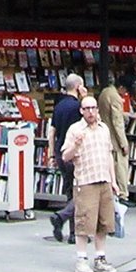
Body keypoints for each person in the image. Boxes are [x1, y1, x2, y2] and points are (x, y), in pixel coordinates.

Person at [59, 87, 119, 272]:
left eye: (93, 108)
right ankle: (81, 259)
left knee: (104, 223)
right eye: (87, 109)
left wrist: (113, 180)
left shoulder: (104, 129)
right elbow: (65, 157)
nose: (91, 112)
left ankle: (100, 258)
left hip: (104, 180)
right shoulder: (75, 130)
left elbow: (109, 155)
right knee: (84, 222)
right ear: (81, 111)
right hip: (85, 181)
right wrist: (75, 145)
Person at [47, 74, 86, 243]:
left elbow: (52, 132)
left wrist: (51, 153)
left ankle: (72, 231)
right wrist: (85, 97)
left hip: (60, 151)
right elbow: (90, 125)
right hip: (74, 153)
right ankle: (65, 222)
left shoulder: (59, 106)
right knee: (82, 192)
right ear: (78, 86)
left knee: (70, 191)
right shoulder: (79, 107)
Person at [93, 84, 130, 238]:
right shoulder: (115, 97)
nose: (126, 93)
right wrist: (124, 142)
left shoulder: (104, 92)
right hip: (114, 138)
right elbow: (117, 121)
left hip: (107, 135)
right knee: (120, 166)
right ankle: (123, 195)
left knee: (111, 166)